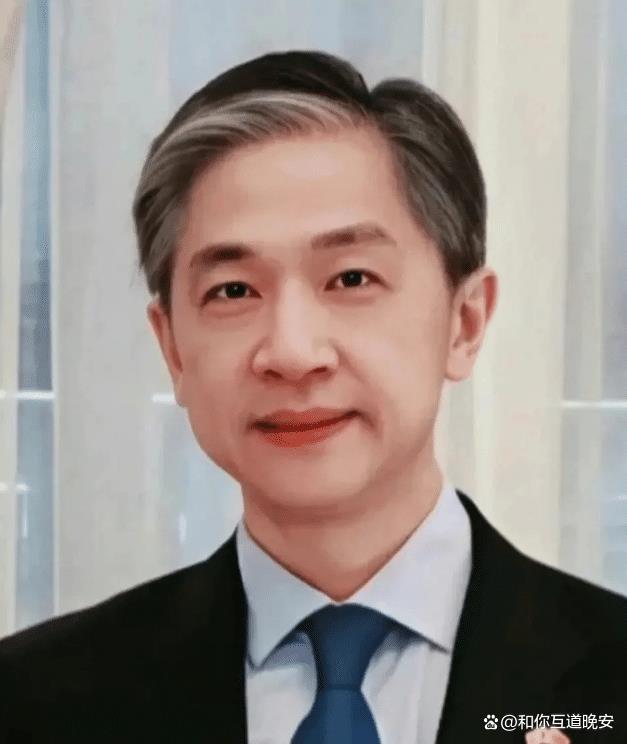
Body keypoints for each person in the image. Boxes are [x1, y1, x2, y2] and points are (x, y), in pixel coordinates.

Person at [0, 50, 625, 744]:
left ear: (465, 322)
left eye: (351, 278)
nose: (292, 353)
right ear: (173, 348)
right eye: (233, 291)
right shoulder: (31, 701)